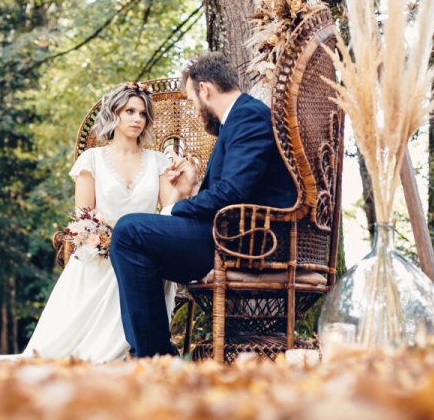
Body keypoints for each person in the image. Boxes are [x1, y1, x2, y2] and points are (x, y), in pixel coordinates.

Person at [0, 82, 193, 363]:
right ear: (114, 114)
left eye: (143, 114)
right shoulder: (92, 159)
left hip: (143, 253)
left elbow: (169, 209)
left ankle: (140, 345)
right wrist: (108, 243)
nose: (137, 119)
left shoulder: (157, 161)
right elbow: (83, 216)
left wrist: (184, 188)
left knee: (139, 261)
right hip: (99, 252)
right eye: (129, 111)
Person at [110, 52, 298, 358]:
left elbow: (234, 191)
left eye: (193, 100)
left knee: (130, 230)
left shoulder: (248, 116)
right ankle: (155, 352)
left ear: (205, 90)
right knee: (137, 242)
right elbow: (235, 189)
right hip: (233, 231)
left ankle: (154, 356)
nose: (196, 110)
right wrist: (194, 188)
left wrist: (175, 209)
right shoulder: (239, 120)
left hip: (248, 240)